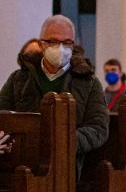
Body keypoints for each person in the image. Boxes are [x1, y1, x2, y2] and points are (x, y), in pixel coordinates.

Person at [0, 15, 108, 176]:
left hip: (65, 166)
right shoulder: (19, 78)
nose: (60, 48)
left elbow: (99, 128)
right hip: (21, 163)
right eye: (53, 42)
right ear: (41, 44)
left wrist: (65, 140)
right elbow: (2, 114)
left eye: (67, 43)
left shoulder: (88, 82)